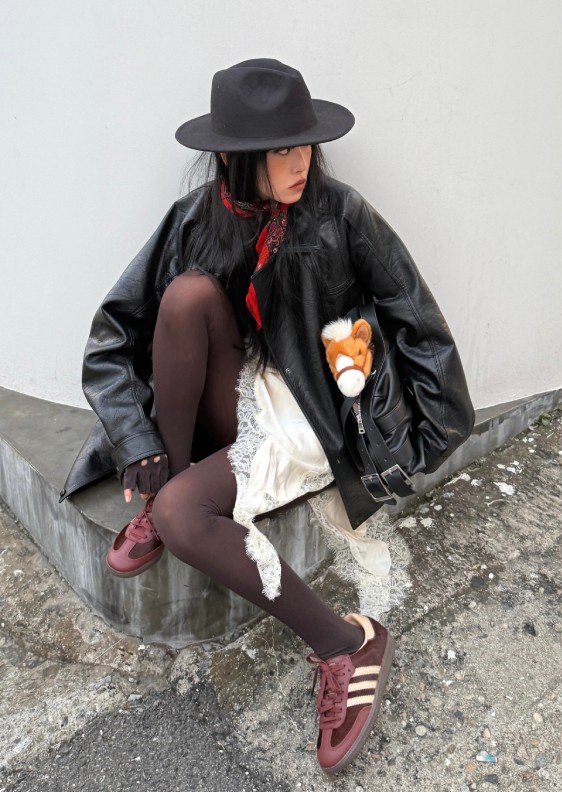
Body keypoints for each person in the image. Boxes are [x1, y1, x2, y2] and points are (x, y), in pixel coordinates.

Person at [61, 58, 474, 773]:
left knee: (184, 516)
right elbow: (112, 337)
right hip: (245, 391)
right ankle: (166, 484)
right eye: (280, 150)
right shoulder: (196, 217)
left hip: (311, 409)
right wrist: (135, 437)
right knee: (186, 297)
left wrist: (419, 442)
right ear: (231, 158)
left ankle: (348, 643)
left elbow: (417, 321)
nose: (299, 162)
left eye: (304, 143)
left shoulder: (341, 213)